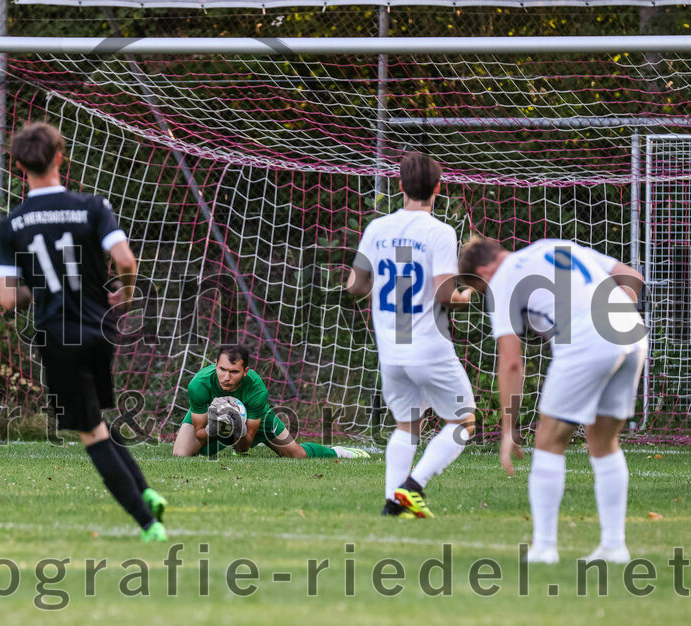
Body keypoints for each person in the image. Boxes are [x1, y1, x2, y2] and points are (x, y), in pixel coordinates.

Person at [0, 122, 167, 542]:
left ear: (19, 166)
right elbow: (125, 260)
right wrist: (125, 297)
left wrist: (38, 287)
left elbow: (7, 300)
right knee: (97, 420)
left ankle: (148, 524)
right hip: (102, 330)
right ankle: (145, 490)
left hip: (60, 336)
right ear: (59, 157)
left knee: (89, 432)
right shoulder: (93, 206)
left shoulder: (11, 224)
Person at [459, 236, 647, 564]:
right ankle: (614, 547)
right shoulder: (553, 245)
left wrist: (508, 429)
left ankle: (544, 549)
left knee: (547, 440)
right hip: (631, 330)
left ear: (485, 271)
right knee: (604, 442)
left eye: (481, 288)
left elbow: (511, 362)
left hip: (588, 339)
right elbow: (632, 275)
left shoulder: (502, 278)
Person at [345, 152, 476, 519]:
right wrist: (467, 294)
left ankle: (392, 504)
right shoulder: (439, 232)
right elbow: (444, 294)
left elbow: (354, 285)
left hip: (392, 342)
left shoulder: (377, 228)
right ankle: (410, 488)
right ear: (437, 189)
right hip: (427, 343)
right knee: (463, 420)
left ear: (400, 186)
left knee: (407, 424)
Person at [172, 344, 370, 460]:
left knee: (297, 455)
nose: (226, 377)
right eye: (222, 369)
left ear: (245, 371)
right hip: (210, 415)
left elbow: (244, 445)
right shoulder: (198, 385)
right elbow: (199, 431)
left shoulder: (257, 389)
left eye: (234, 372)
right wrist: (217, 425)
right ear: (215, 365)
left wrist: (237, 427)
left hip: (253, 418)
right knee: (181, 455)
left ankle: (336, 452)